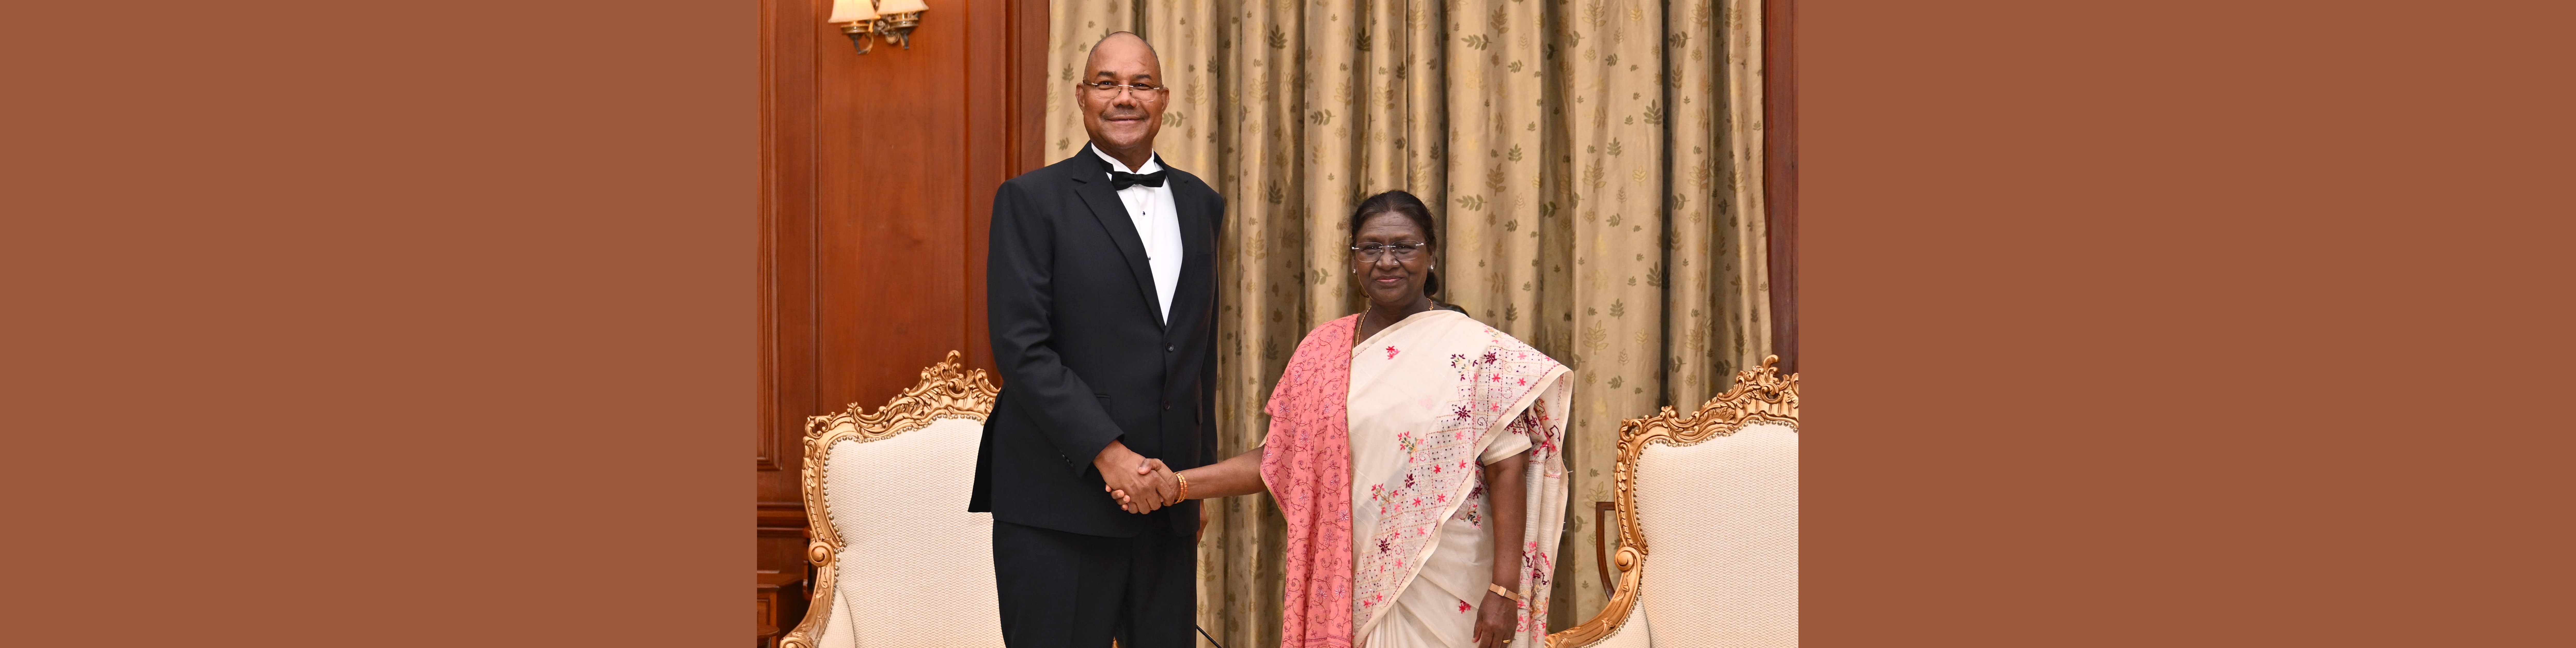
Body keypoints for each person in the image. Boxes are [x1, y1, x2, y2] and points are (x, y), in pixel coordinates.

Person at [1113, 191, 1573, 648]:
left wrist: (1504, 588)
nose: (1387, 261)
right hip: (1347, 577)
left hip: (1451, 579)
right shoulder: (1322, 350)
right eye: (1371, 247)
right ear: (1354, 261)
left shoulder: (1473, 349)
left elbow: (1507, 468)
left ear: (1431, 255)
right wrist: (1177, 485)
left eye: (1404, 247)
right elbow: (1278, 458)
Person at [974, 31, 1221, 648]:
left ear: (1164, 99)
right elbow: (1023, 349)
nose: (1124, 98)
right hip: (1059, 503)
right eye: (1107, 83)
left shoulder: (1202, 205)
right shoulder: (1030, 200)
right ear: (1082, 97)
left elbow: (1198, 356)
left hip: (1166, 503)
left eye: (1140, 84)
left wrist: (1198, 481)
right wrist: (1111, 457)